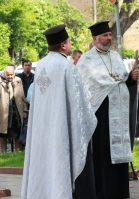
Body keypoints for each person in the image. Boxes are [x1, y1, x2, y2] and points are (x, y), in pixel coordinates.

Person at [21, 24, 97, 199]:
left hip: (42, 131)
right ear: (63, 45)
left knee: (43, 164)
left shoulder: (40, 65)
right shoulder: (66, 67)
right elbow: (80, 104)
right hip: (61, 129)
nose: (70, 44)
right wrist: (90, 118)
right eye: (69, 42)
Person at [76, 21, 139, 199]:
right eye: (105, 35)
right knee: (103, 155)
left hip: (118, 114)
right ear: (95, 39)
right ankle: (103, 192)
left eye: (110, 34)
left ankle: (119, 191)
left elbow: (122, 81)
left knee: (118, 155)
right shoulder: (86, 60)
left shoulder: (116, 57)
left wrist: (132, 79)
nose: (109, 38)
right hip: (101, 116)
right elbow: (88, 89)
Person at [0, 65, 27, 153]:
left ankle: (17, 152)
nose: (10, 77)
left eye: (11, 75)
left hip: (16, 111)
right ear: (5, 74)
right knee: (3, 133)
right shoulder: (0, 82)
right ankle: (3, 153)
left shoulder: (18, 81)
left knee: (17, 132)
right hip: (4, 112)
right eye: (8, 75)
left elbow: (22, 96)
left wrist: (24, 110)